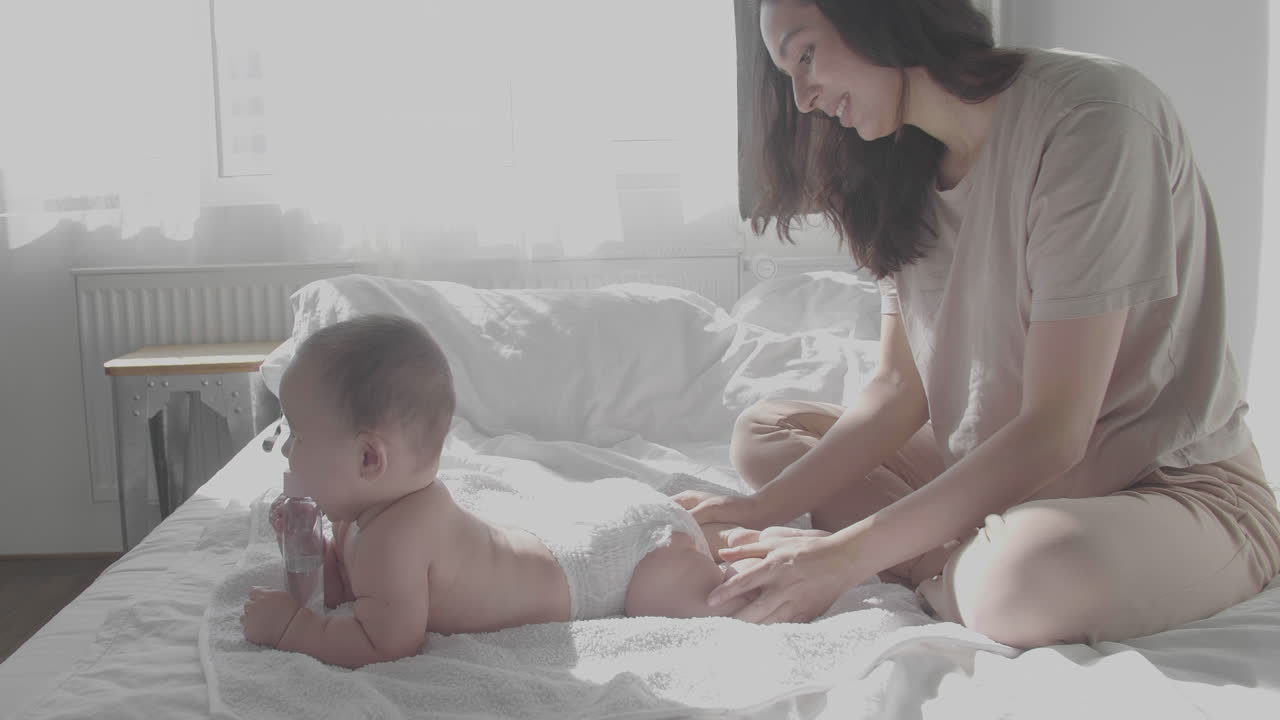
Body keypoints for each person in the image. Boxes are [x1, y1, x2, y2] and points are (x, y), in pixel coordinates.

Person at [674, 0, 1280, 648]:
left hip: (1162, 485)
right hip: (1003, 474)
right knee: (765, 434)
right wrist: (757, 508)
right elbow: (898, 390)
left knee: (1023, 580)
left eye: (806, 55)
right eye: (788, 74)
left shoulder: (1092, 118)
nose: (803, 99)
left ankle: (949, 562)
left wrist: (844, 556)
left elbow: (1054, 431)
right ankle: (951, 558)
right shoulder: (895, 171)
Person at [240, 314, 757, 668]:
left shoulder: (396, 537)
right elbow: (355, 590)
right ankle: (709, 540)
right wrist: (313, 553)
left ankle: (743, 568)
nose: (285, 450)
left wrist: (291, 630)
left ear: (368, 458)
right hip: (586, 537)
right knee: (675, 553)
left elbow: (381, 642)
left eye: (297, 435)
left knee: (666, 598)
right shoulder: (361, 516)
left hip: (616, 567)